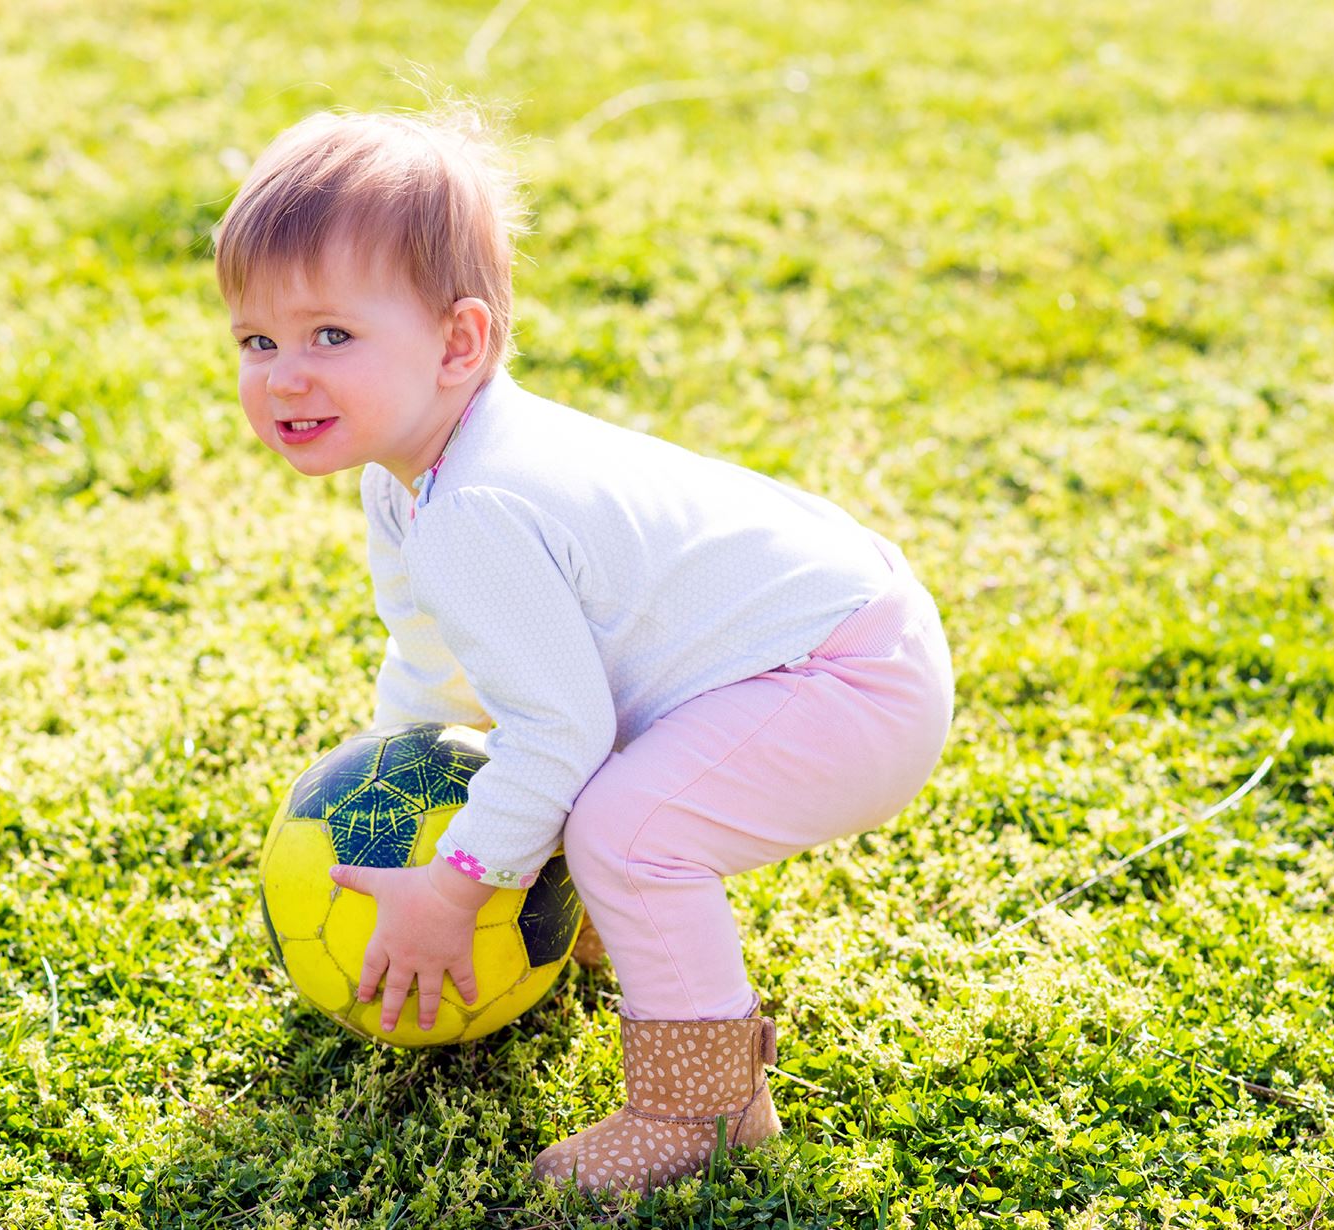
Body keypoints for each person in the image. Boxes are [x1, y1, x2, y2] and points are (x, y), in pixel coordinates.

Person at [212, 104, 956, 1196]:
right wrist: (396, 784)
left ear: (458, 342)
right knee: (582, 774)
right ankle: (614, 932)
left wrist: (454, 888)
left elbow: (561, 733)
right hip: (817, 639)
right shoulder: (404, 475)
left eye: (331, 336)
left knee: (623, 823)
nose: (284, 375)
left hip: (843, 679)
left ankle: (700, 1109)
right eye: (256, 340)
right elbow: (429, 664)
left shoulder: (478, 509)